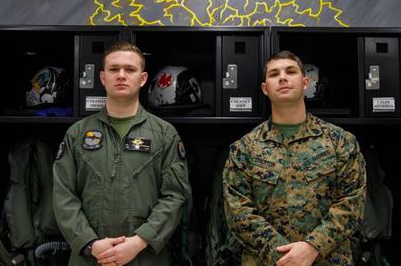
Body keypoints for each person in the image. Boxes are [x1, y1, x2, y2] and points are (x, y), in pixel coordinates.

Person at [53, 41, 191, 266]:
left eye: (130, 69)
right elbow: (63, 195)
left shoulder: (165, 135)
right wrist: (91, 244)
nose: (121, 75)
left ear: (143, 78)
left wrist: (139, 241)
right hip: (91, 259)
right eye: (114, 69)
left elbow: (175, 196)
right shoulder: (77, 134)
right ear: (102, 77)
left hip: (145, 257)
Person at [223, 50, 366, 266]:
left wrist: (313, 247)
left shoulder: (341, 142)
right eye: (274, 74)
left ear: (305, 82)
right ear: (265, 88)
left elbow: (352, 203)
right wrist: (283, 257)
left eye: (290, 71)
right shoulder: (244, 149)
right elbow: (237, 211)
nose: (282, 77)